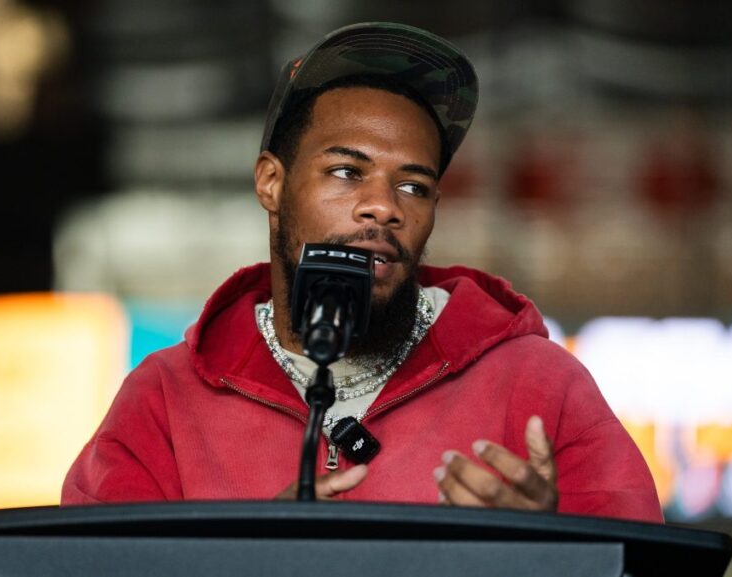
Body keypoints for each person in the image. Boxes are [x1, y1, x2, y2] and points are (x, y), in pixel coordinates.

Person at [62, 22, 662, 523]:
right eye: (348, 172)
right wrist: (242, 556)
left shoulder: (538, 384)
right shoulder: (164, 399)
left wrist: (550, 553)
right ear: (271, 183)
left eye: (414, 186)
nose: (384, 206)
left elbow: (640, 561)